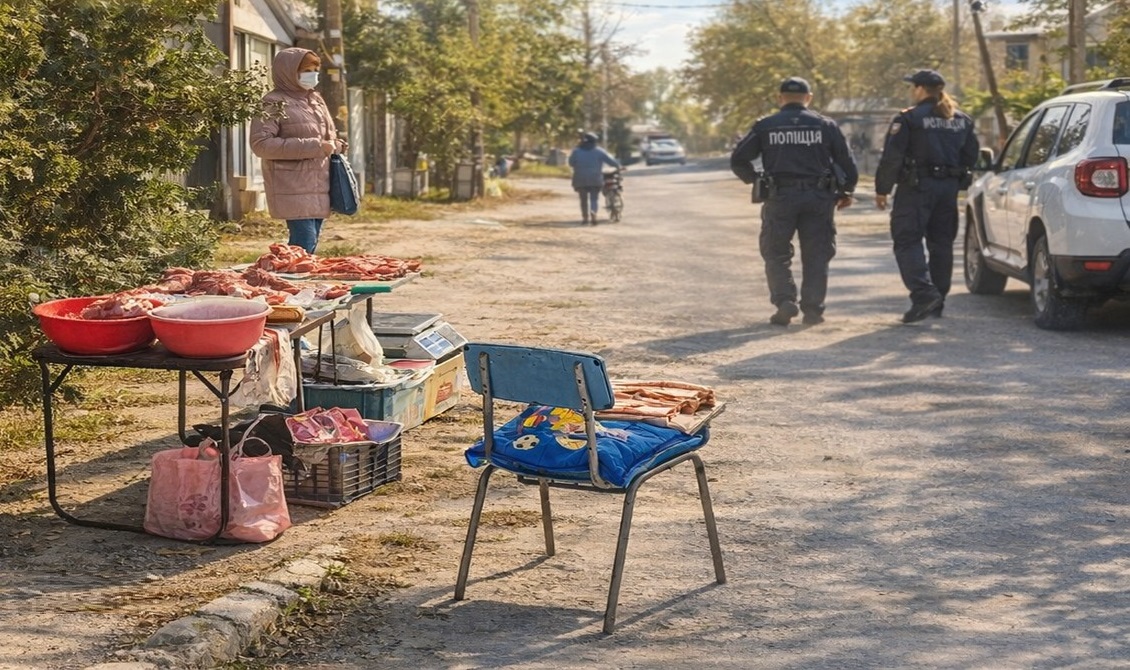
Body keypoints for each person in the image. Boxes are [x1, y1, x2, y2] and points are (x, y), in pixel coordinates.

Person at [730, 77, 858, 326]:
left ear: (780, 98)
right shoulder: (825, 125)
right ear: (808, 98)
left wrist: (756, 180)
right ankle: (813, 310)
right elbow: (847, 162)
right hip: (819, 197)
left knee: (775, 251)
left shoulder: (766, 126)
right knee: (817, 254)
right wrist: (846, 191)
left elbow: (738, 159)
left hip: (780, 197)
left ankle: (785, 300)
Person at [874, 69, 979, 323]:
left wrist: (882, 189)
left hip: (916, 188)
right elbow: (971, 156)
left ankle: (923, 294)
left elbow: (892, 156)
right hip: (948, 190)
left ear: (920, 89)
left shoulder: (909, 118)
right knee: (941, 243)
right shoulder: (961, 119)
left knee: (907, 240)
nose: (912, 92)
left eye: (913, 87)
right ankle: (936, 302)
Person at [250, 47, 345, 254]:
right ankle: (285, 280)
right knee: (304, 242)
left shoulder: (316, 100)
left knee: (309, 245)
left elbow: (326, 137)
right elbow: (261, 144)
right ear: (288, 71)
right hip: (291, 184)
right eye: (307, 70)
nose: (313, 75)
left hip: (320, 182)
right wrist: (315, 146)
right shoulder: (273, 102)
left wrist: (335, 144)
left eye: (316, 69)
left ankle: (290, 279)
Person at [568, 132, 621, 224]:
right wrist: (619, 166)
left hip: (580, 178)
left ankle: (585, 218)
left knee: (583, 199)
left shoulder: (576, 151)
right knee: (594, 198)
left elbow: (571, 163)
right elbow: (611, 161)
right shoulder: (599, 151)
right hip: (595, 178)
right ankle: (593, 212)